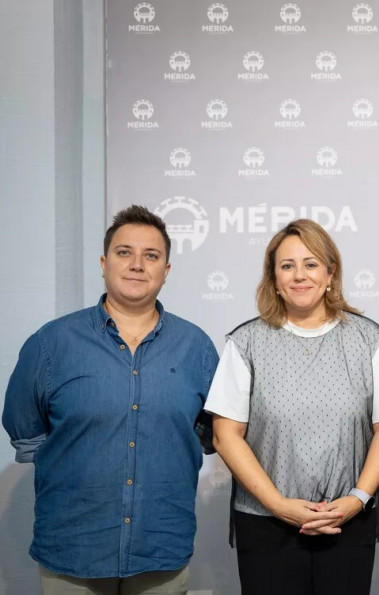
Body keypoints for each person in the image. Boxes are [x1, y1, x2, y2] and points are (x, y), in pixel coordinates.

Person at [3, 205, 219, 594]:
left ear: (166, 270)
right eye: (124, 252)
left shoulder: (197, 348)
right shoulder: (51, 343)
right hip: (73, 549)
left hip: (161, 548)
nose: (137, 264)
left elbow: (212, 433)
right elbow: (27, 430)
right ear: (104, 263)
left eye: (151, 255)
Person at [205, 219, 379, 595]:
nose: (299, 275)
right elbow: (226, 436)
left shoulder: (369, 339)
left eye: (311, 264)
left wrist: (357, 499)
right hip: (266, 524)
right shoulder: (246, 342)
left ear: (330, 273)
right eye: (287, 266)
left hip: (347, 521)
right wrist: (278, 505)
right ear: (274, 278)